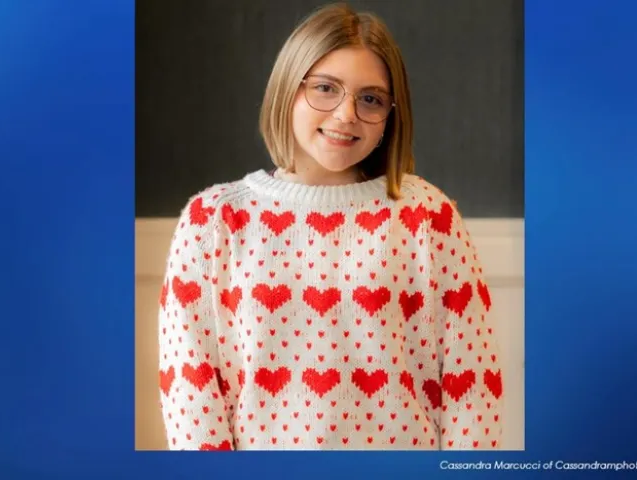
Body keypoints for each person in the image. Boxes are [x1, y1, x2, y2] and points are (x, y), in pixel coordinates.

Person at [157, 2, 504, 450]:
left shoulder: (428, 216)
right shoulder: (213, 220)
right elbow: (191, 389)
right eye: (325, 88)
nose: (346, 115)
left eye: (371, 98)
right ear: (288, 89)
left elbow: (471, 387)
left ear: (390, 115)